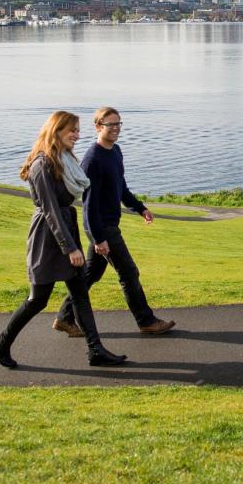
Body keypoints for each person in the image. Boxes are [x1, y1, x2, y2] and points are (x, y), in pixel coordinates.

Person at [0, 110, 127, 368]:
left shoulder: (64, 159)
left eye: (77, 129)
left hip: (66, 228)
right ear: (56, 131)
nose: (77, 134)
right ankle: (1, 342)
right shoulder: (42, 165)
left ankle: (96, 350)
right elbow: (50, 211)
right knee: (38, 299)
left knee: (80, 293)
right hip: (48, 238)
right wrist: (71, 247)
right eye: (71, 130)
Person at [51, 105, 176, 338]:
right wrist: (98, 238)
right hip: (103, 229)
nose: (116, 128)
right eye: (111, 124)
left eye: (119, 124)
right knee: (129, 273)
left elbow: (121, 188)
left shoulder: (115, 151)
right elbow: (89, 206)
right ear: (98, 127)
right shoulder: (92, 159)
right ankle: (146, 320)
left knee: (90, 275)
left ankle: (64, 318)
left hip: (107, 226)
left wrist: (140, 208)